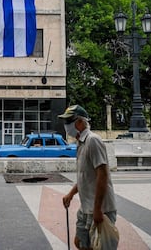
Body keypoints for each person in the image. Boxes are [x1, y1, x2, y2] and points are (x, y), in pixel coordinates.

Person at [58, 105, 117, 250]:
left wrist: (98, 209)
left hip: (100, 208)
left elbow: (102, 175)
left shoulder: (93, 141)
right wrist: (71, 194)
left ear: (79, 122)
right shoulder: (80, 143)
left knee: (96, 246)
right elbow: (86, 176)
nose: (66, 126)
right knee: (80, 242)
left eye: (68, 121)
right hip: (86, 208)